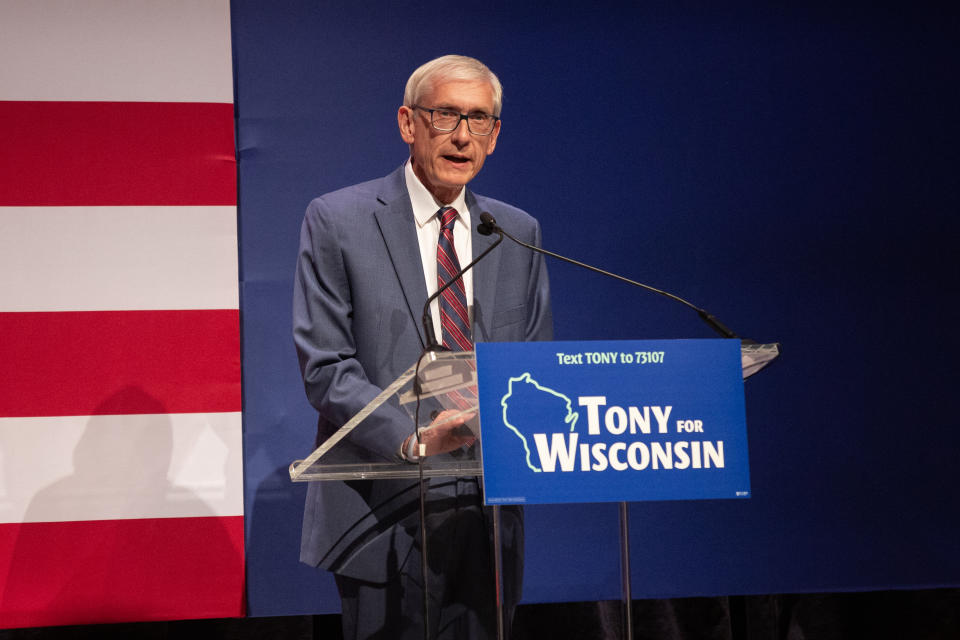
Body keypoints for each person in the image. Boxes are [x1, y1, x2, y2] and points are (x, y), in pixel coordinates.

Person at [293, 54, 552, 639]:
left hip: (488, 513)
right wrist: (412, 438)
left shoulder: (515, 232)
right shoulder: (338, 220)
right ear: (409, 123)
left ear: (495, 135)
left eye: (480, 120)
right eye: (446, 116)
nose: (463, 136)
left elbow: (533, 363)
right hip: (382, 509)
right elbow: (327, 367)